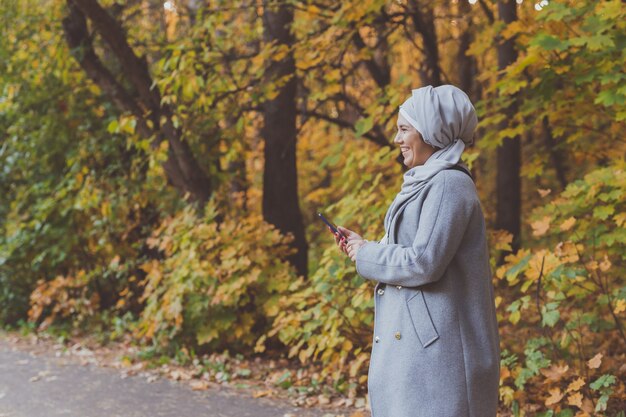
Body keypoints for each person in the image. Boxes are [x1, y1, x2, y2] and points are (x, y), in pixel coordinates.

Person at [332, 85, 500, 417]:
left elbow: (424, 262)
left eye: (404, 129)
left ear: (433, 131)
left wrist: (368, 254)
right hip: (422, 353)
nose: (397, 139)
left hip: (441, 355)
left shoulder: (449, 185)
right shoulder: (427, 181)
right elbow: (412, 248)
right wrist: (362, 246)